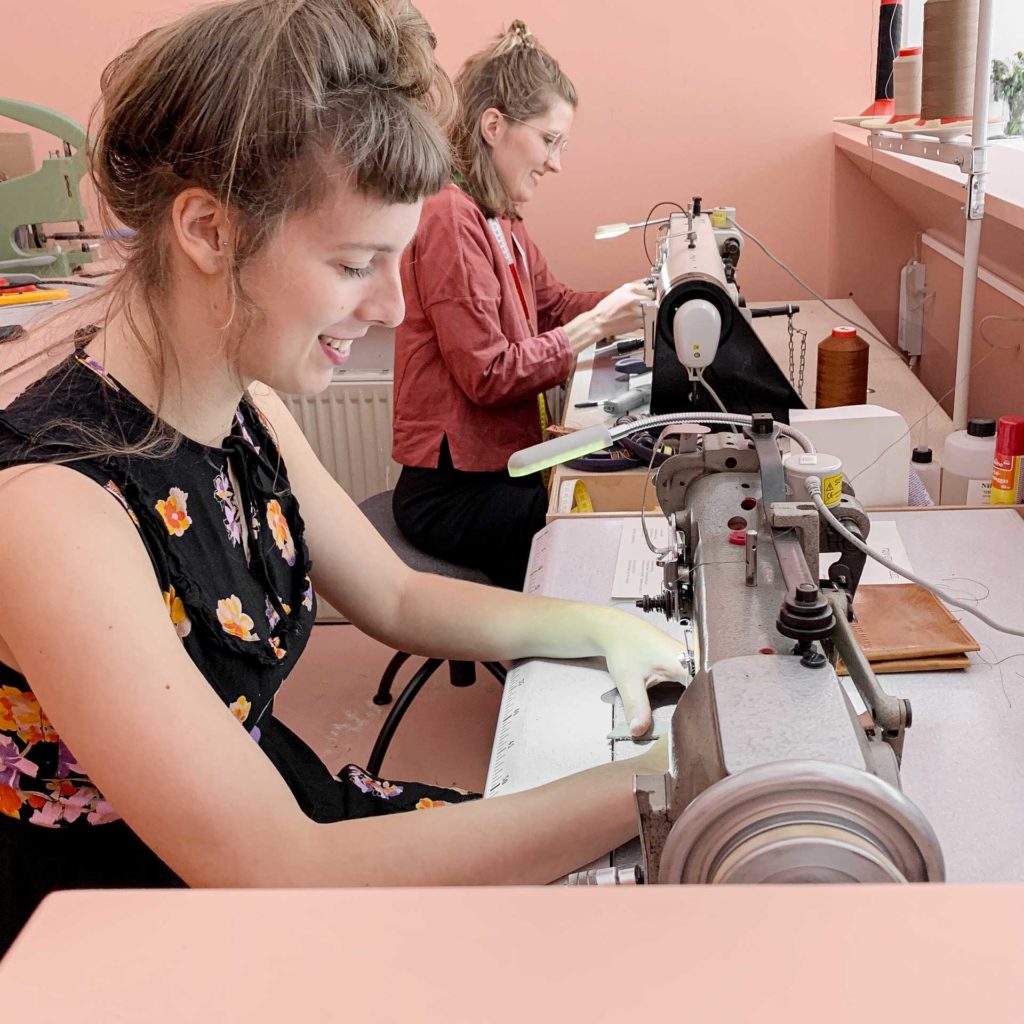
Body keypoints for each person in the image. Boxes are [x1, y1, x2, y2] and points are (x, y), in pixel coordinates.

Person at [0, 0, 687, 954]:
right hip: (138, 933)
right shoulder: (53, 514)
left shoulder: (247, 414)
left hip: (277, 837)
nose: (394, 303)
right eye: (356, 262)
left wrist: (601, 625)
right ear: (207, 229)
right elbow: (276, 872)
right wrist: (667, 779)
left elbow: (398, 596)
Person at [391, 22, 651, 590]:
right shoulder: (449, 218)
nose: (555, 162)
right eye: (549, 141)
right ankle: (544, 670)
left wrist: (642, 299)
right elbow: (489, 375)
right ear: (494, 126)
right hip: (449, 493)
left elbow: (553, 304)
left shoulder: (497, 215)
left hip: (496, 470)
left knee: (587, 502)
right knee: (574, 531)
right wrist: (595, 327)